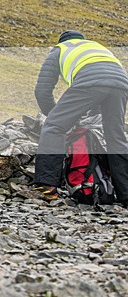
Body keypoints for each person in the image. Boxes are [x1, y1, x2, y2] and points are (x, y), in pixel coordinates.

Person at [33, 29, 128, 207]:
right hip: (121, 83)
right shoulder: (96, 47)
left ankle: (46, 186)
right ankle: (125, 193)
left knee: (53, 127)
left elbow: (42, 91)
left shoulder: (60, 49)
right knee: (116, 136)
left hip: (90, 81)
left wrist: (55, 116)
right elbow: (102, 88)